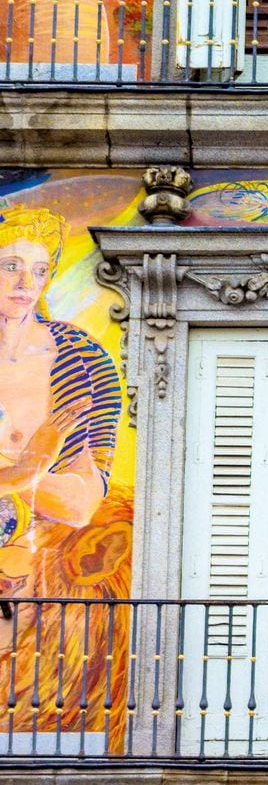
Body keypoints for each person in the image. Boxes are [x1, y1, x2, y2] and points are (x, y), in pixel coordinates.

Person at [0, 206, 120, 595]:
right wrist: (26, 470)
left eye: (38, 270)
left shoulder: (83, 360)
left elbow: (81, 503)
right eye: (10, 265)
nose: (25, 282)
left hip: (37, 582)